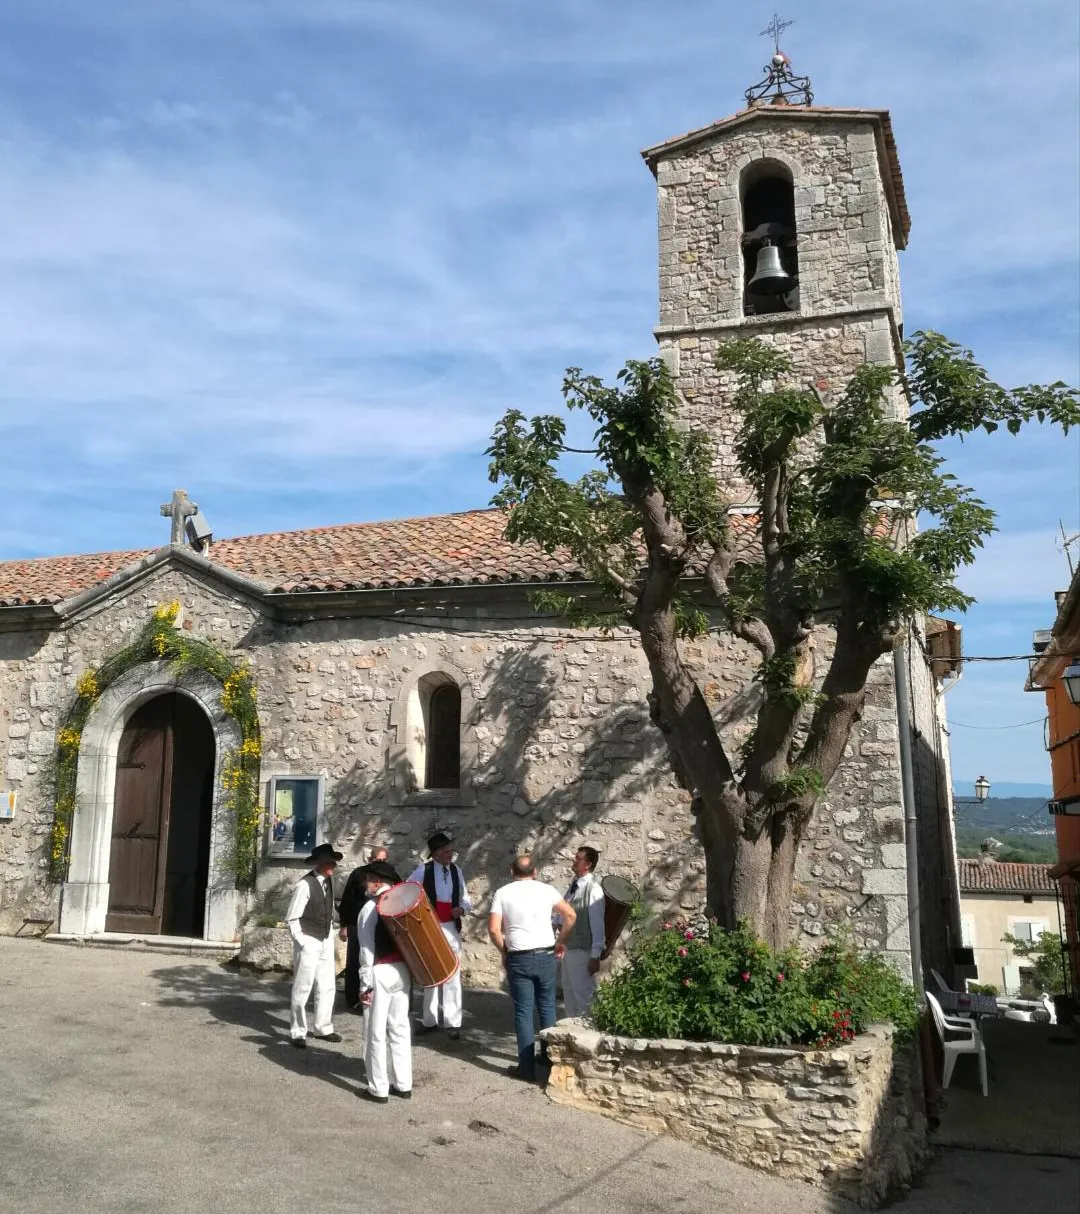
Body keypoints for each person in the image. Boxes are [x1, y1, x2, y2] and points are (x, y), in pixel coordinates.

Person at [488, 855, 576, 1081]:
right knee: (547, 1007)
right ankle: (549, 1061)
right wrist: (560, 941)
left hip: (520, 956)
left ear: (511, 871)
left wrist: (504, 951)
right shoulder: (546, 890)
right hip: (545, 954)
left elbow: (494, 930)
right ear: (535, 872)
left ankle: (526, 1068)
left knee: (523, 1012)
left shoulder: (502, 893)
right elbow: (570, 915)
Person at [357, 859, 412, 1104]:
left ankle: (378, 1087)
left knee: (375, 1031)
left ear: (377, 882)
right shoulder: (402, 904)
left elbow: (367, 948)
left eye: (368, 879)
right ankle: (403, 1083)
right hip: (403, 970)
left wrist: (364, 983)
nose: (365, 884)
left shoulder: (371, 908)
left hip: (380, 970)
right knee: (400, 1027)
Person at [407, 832, 471, 1039]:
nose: (449, 854)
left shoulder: (456, 871)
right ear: (434, 854)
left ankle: (453, 1021)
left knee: (452, 971)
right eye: (444, 851)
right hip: (430, 927)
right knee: (431, 972)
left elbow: (465, 898)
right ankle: (429, 1019)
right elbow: (408, 892)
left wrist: (461, 909)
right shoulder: (422, 871)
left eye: (450, 850)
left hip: (451, 927)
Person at [284, 842, 344, 1048]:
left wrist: (333, 931)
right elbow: (292, 918)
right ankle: (298, 1031)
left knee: (327, 985)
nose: (332, 866)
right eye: (328, 862)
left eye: (333, 862)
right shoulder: (304, 885)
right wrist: (303, 942)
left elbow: (330, 908)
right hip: (309, 938)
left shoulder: (329, 881)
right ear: (318, 863)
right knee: (303, 986)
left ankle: (323, 1027)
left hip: (325, 936)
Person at [338, 845, 390, 1011]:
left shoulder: (389, 875)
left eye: (383, 860)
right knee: (355, 961)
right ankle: (353, 999)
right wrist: (344, 925)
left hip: (378, 926)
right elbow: (347, 900)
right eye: (377, 860)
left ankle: (375, 997)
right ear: (370, 859)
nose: (380, 863)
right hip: (356, 923)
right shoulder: (359, 874)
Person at [560, 846, 606, 1018]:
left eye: (577, 858)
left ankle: (588, 1033)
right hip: (568, 948)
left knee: (584, 995)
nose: (573, 859)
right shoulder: (574, 886)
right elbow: (565, 911)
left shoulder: (593, 890)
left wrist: (595, 955)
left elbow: (597, 925)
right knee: (570, 993)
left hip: (581, 950)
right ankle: (570, 1035)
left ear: (587, 864)